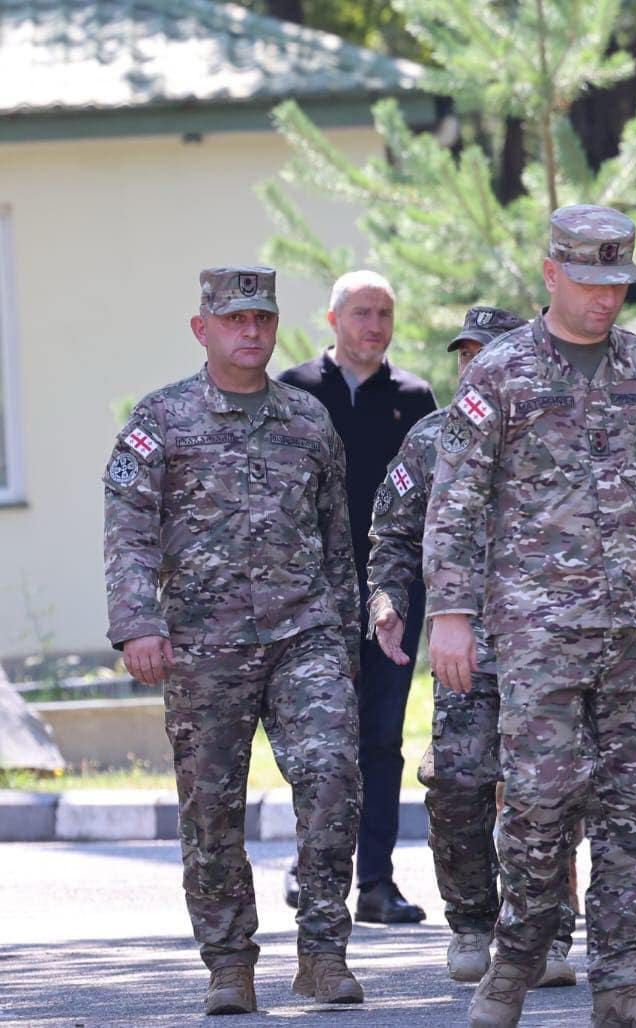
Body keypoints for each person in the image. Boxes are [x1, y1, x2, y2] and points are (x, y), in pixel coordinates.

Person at [424, 205, 636, 1028]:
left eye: (618, 283)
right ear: (553, 273)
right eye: (590, 281)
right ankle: (515, 961)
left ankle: (626, 983)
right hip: (539, 633)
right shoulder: (500, 374)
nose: (605, 299)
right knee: (538, 804)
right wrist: (449, 613)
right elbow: (455, 500)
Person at [103, 267, 365, 1013]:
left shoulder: (308, 420)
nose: (251, 332)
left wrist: (344, 640)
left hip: (302, 635)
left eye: (262, 319)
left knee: (332, 774)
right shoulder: (162, 419)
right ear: (203, 329)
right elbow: (128, 530)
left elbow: (335, 537)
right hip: (201, 643)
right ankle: (228, 964)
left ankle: (322, 952)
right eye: (234, 320)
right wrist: (137, 624)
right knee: (211, 808)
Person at [365, 305, 582, 989]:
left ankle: (545, 933)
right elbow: (392, 537)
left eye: (483, 355)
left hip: (546, 647)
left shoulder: (560, 431)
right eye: (463, 356)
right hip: (466, 654)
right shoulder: (431, 442)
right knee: (456, 784)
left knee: (546, 796)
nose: (470, 369)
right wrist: (388, 600)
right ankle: (470, 923)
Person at [280, 270, 436, 924]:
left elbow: (436, 495)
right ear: (333, 319)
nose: (374, 325)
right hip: (311, 596)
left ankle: (375, 881)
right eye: (362, 313)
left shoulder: (413, 397)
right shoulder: (294, 391)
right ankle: (311, 867)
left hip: (393, 593)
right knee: (316, 739)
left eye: (384, 314)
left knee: (379, 737)